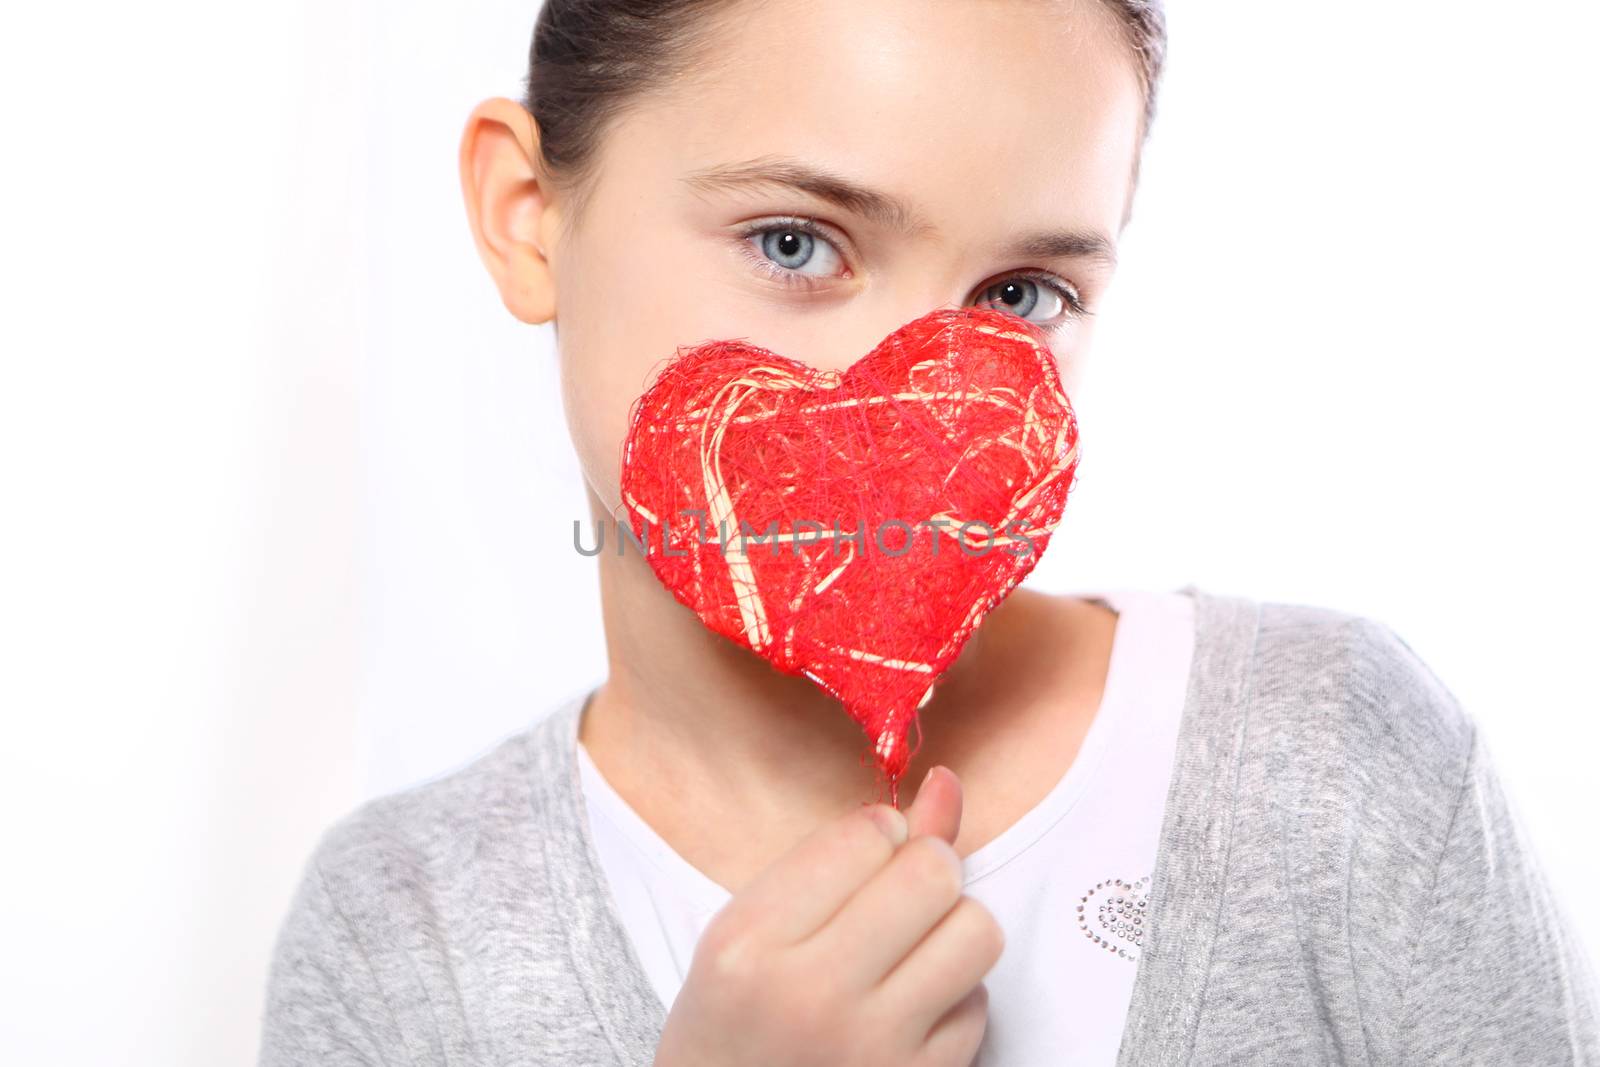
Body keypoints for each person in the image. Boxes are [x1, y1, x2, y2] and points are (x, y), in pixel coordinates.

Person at [259, 1, 1600, 1064]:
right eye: (796, 244)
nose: (919, 405)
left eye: (1022, 292)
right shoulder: (403, 937)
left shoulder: (1333, 771)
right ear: (527, 216)